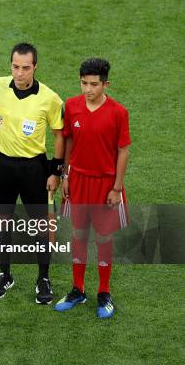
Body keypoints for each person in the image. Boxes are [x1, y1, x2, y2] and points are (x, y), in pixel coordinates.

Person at [0, 43, 64, 304]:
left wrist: (56, 171)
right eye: (15, 67)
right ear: (10, 65)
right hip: (3, 165)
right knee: (3, 219)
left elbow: (59, 135)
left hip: (34, 167)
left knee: (41, 224)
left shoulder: (50, 98)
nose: (19, 74)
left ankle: (43, 277)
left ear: (35, 67)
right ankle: (4, 274)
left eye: (25, 68)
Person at [54, 58, 130, 319]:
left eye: (94, 84)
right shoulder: (72, 106)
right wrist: (66, 175)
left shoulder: (118, 112)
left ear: (105, 84)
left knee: (104, 238)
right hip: (78, 182)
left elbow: (123, 150)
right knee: (78, 234)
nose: (88, 89)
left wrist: (117, 188)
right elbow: (69, 142)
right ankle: (78, 289)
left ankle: (104, 292)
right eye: (84, 83)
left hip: (105, 184)